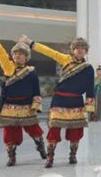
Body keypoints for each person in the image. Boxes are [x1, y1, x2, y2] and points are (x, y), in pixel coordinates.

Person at [20, 35, 94, 168]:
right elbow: (48, 51)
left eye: (83, 48)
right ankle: (50, 157)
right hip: (60, 99)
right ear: (72, 50)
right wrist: (30, 42)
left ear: (86, 51)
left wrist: (90, 107)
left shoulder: (88, 68)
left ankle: (73, 155)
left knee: (76, 131)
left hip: (76, 101)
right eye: (77, 47)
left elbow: (90, 87)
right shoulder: (65, 59)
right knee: (54, 128)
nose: (80, 50)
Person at [0, 26, 46, 166]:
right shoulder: (8, 68)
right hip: (9, 107)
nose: (17, 56)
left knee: (34, 130)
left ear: (26, 57)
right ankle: (11, 156)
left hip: (26, 107)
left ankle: (40, 146)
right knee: (10, 133)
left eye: (20, 54)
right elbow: (1, 53)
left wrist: (35, 105)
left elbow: (36, 90)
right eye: (15, 54)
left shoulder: (31, 72)